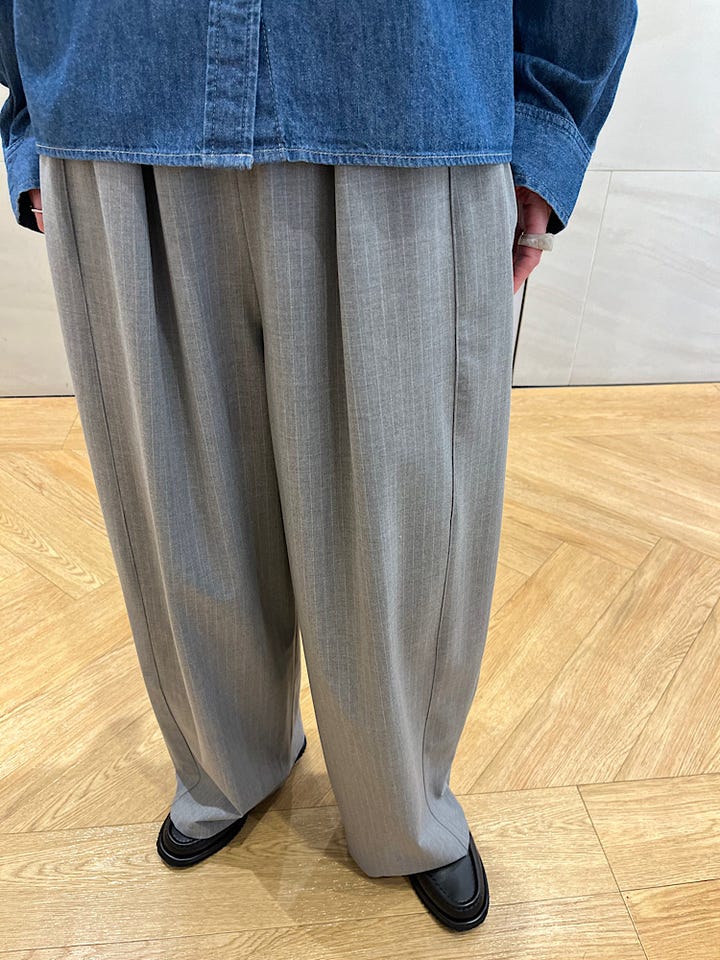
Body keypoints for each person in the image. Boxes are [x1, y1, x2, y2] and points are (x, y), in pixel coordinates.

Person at [1, 0, 638, 934]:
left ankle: (402, 806)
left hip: (403, 94)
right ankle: (226, 764)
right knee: (178, 511)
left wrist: (547, 121)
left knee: (402, 532)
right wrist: (29, 117)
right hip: (116, 88)